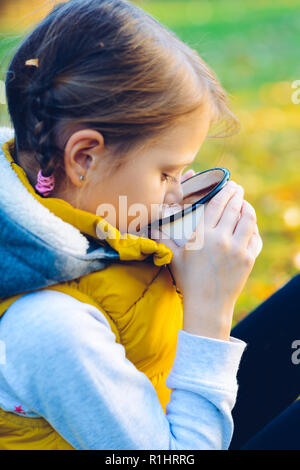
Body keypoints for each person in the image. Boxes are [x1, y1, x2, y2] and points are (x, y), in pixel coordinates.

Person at [0, 0, 264, 450]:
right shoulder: (50, 327)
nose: (177, 193)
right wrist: (209, 312)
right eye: (165, 173)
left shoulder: (74, 211)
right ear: (84, 157)